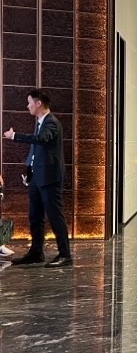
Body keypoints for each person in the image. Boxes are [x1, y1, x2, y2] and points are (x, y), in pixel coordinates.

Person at [2, 90, 72, 267]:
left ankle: (65, 255)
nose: (28, 106)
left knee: (55, 216)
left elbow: (41, 140)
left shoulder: (52, 123)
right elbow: (35, 152)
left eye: (29, 102)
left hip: (49, 178)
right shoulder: (40, 122)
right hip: (37, 178)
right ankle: (36, 253)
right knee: (35, 216)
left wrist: (15, 136)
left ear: (38, 103)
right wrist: (29, 172)